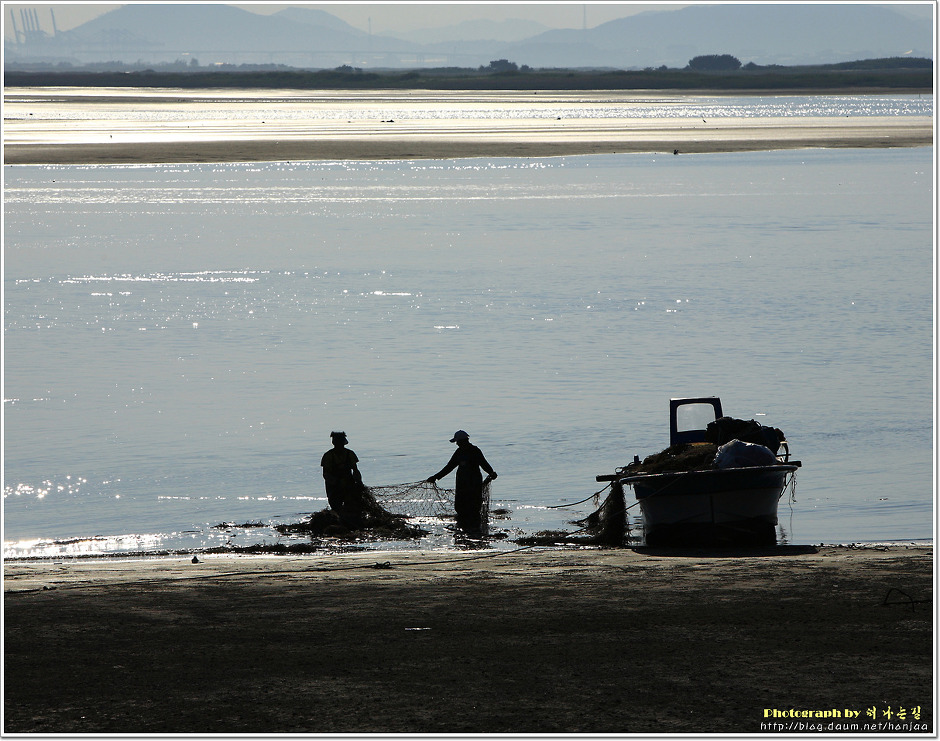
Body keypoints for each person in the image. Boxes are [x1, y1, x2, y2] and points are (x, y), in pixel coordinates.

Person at [426, 430, 497, 535]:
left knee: (474, 508)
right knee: (461, 508)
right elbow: (449, 467)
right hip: (462, 485)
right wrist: (436, 477)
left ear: (463, 441)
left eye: (458, 442)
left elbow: (484, 464)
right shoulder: (459, 452)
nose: (457, 444)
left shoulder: (475, 451)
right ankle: (465, 529)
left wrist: (491, 472)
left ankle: (473, 530)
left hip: (474, 484)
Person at [320, 431, 365, 522]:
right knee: (336, 507)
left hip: (349, 484)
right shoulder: (328, 456)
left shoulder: (350, 454)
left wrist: (359, 483)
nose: (339, 444)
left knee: (351, 506)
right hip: (333, 487)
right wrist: (336, 482)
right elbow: (326, 474)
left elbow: (355, 470)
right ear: (334, 442)